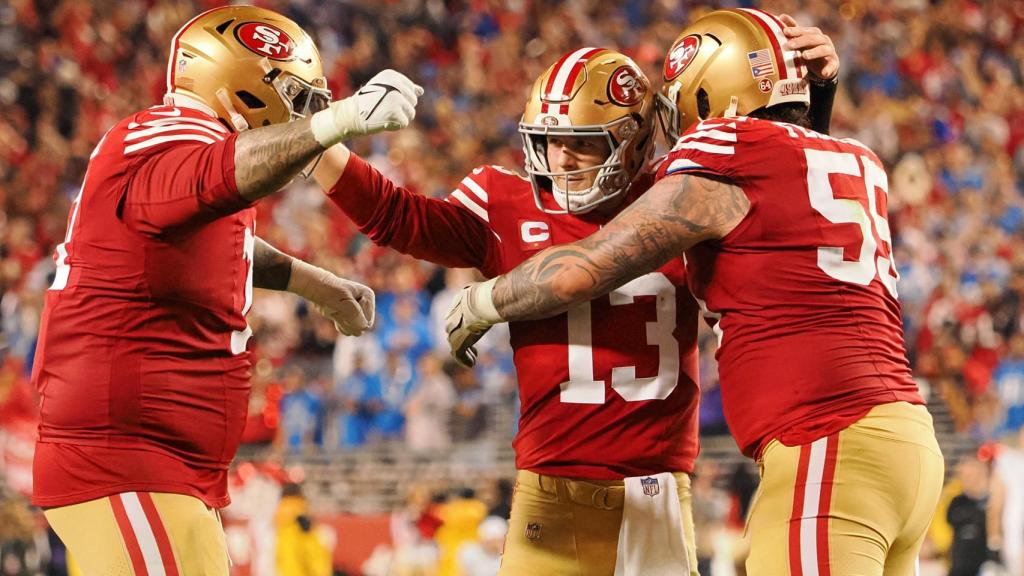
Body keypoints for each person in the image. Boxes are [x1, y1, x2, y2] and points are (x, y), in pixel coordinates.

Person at [316, 17, 839, 574]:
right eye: (549, 142)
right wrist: (314, 138)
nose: (559, 160)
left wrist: (812, 95)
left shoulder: (687, 194)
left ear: (635, 142)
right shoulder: (509, 201)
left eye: (580, 145)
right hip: (551, 487)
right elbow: (399, 217)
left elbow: (790, 205)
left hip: (658, 491)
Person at [446, 8, 943, 575]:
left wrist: (484, 301)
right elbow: (787, 195)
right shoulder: (858, 158)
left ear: (712, 94)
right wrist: (819, 92)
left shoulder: (725, 148)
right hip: (905, 441)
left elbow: (584, 269)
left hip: (827, 442)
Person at [30, 6, 421, 574]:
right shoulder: (175, 135)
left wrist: (317, 284)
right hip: (124, 457)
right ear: (243, 85)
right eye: (295, 97)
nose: (300, 117)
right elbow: (211, 177)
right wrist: (338, 121)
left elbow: (209, 239)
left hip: (164, 464)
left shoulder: (190, 151)